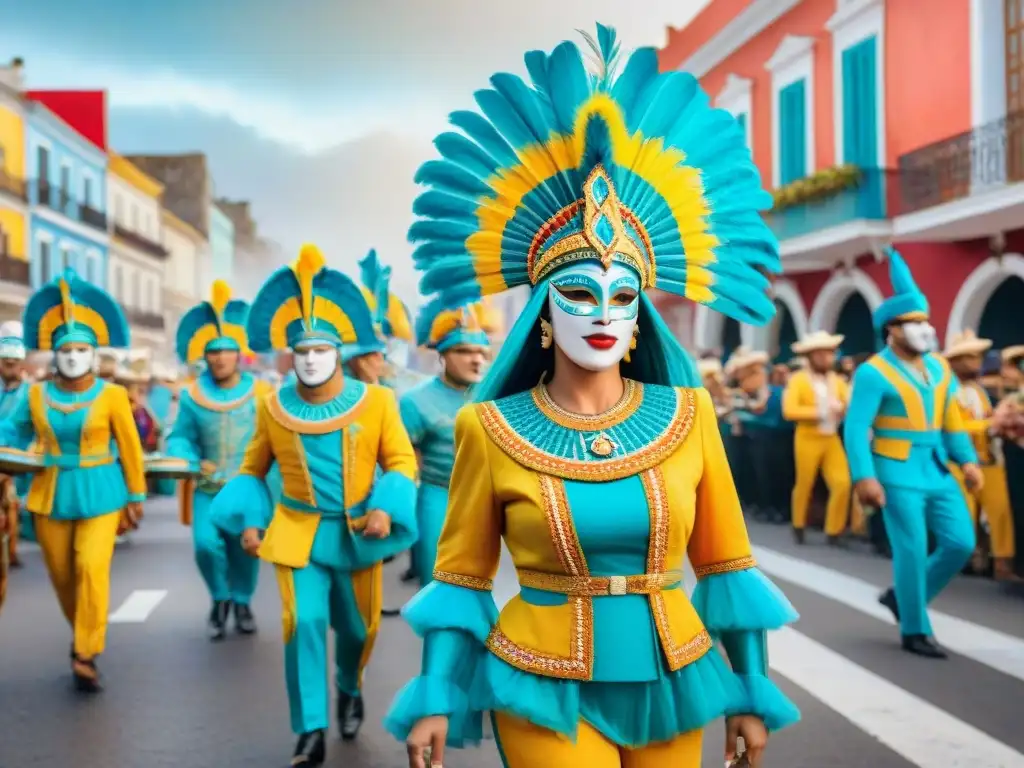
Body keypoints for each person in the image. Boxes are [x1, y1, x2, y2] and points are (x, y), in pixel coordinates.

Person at [386, 25, 799, 768]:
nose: (603, 313)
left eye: (623, 296)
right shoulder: (489, 426)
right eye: (579, 293)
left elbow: (728, 568)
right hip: (540, 681)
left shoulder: (690, 415)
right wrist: (436, 696)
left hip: (674, 676)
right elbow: (460, 577)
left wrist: (750, 690)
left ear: (640, 315)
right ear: (543, 314)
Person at [212, 245, 418, 765]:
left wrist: (385, 507)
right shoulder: (272, 407)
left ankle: (349, 685)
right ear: (290, 354)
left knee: (359, 630)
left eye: (320, 349)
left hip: (358, 534)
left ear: (339, 352)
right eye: (300, 350)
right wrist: (252, 520)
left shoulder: (377, 402)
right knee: (301, 622)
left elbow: (400, 461)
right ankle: (310, 729)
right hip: (298, 533)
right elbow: (251, 468)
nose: (309, 359)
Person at [0, 268, 146, 691]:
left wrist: (136, 494)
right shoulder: (34, 395)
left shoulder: (113, 395)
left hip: (102, 490)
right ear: (53, 354)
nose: (73, 356)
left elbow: (131, 448)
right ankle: (82, 632)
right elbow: (12, 432)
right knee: (63, 575)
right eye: (65, 349)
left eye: (81, 349)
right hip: (50, 492)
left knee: (91, 566)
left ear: (94, 353)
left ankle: (85, 650)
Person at [844, 249, 980, 659]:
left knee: (960, 542)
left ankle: (903, 598)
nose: (923, 329)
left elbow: (951, 419)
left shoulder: (940, 368)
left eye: (924, 321)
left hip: (937, 468)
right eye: (912, 322)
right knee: (911, 548)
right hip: (895, 469)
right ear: (891, 329)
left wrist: (967, 460)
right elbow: (855, 427)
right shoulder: (873, 372)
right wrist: (864, 476)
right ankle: (915, 628)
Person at [166, 280, 271, 640]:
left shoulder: (261, 394)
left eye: (227, 351)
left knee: (246, 549)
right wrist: (188, 459)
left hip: (248, 487)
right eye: (213, 352)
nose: (220, 358)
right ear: (204, 356)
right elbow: (179, 436)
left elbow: (273, 438)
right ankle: (219, 597)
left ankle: (242, 602)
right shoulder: (192, 396)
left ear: (238, 354)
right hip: (208, 487)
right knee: (205, 546)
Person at [402, 297, 492, 587]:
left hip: (487, 500)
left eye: (482, 352)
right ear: (442, 355)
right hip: (437, 495)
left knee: (482, 588)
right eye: (464, 351)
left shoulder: (499, 394)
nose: (476, 359)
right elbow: (401, 460)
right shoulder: (415, 401)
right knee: (436, 582)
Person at [942, 331, 1020, 581]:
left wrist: (1001, 423)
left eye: (977, 357)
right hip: (958, 462)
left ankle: (1002, 563)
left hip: (989, 460)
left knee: (1001, 511)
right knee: (964, 512)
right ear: (955, 361)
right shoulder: (947, 391)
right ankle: (964, 559)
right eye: (969, 357)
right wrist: (989, 425)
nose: (975, 362)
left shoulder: (978, 390)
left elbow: (985, 419)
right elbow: (953, 427)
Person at [783, 331, 852, 546]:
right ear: (810, 356)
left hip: (831, 438)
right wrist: (820, 412)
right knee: (805, 483)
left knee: (842, 482)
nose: (826, 358)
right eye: (820, 354)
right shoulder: (798, 380)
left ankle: (834, 530)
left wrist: (843, 408)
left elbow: (848, 403)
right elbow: (789, 410)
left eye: (829, 354)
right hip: (807, 436)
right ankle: (798, 524)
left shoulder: (837, 381)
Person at [0, 321, 29, 566]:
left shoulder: (31, 394)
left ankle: (13, 549)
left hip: (17, 457)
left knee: (12, 500)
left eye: (13, 363)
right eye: (5, 362)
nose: (10, 367)